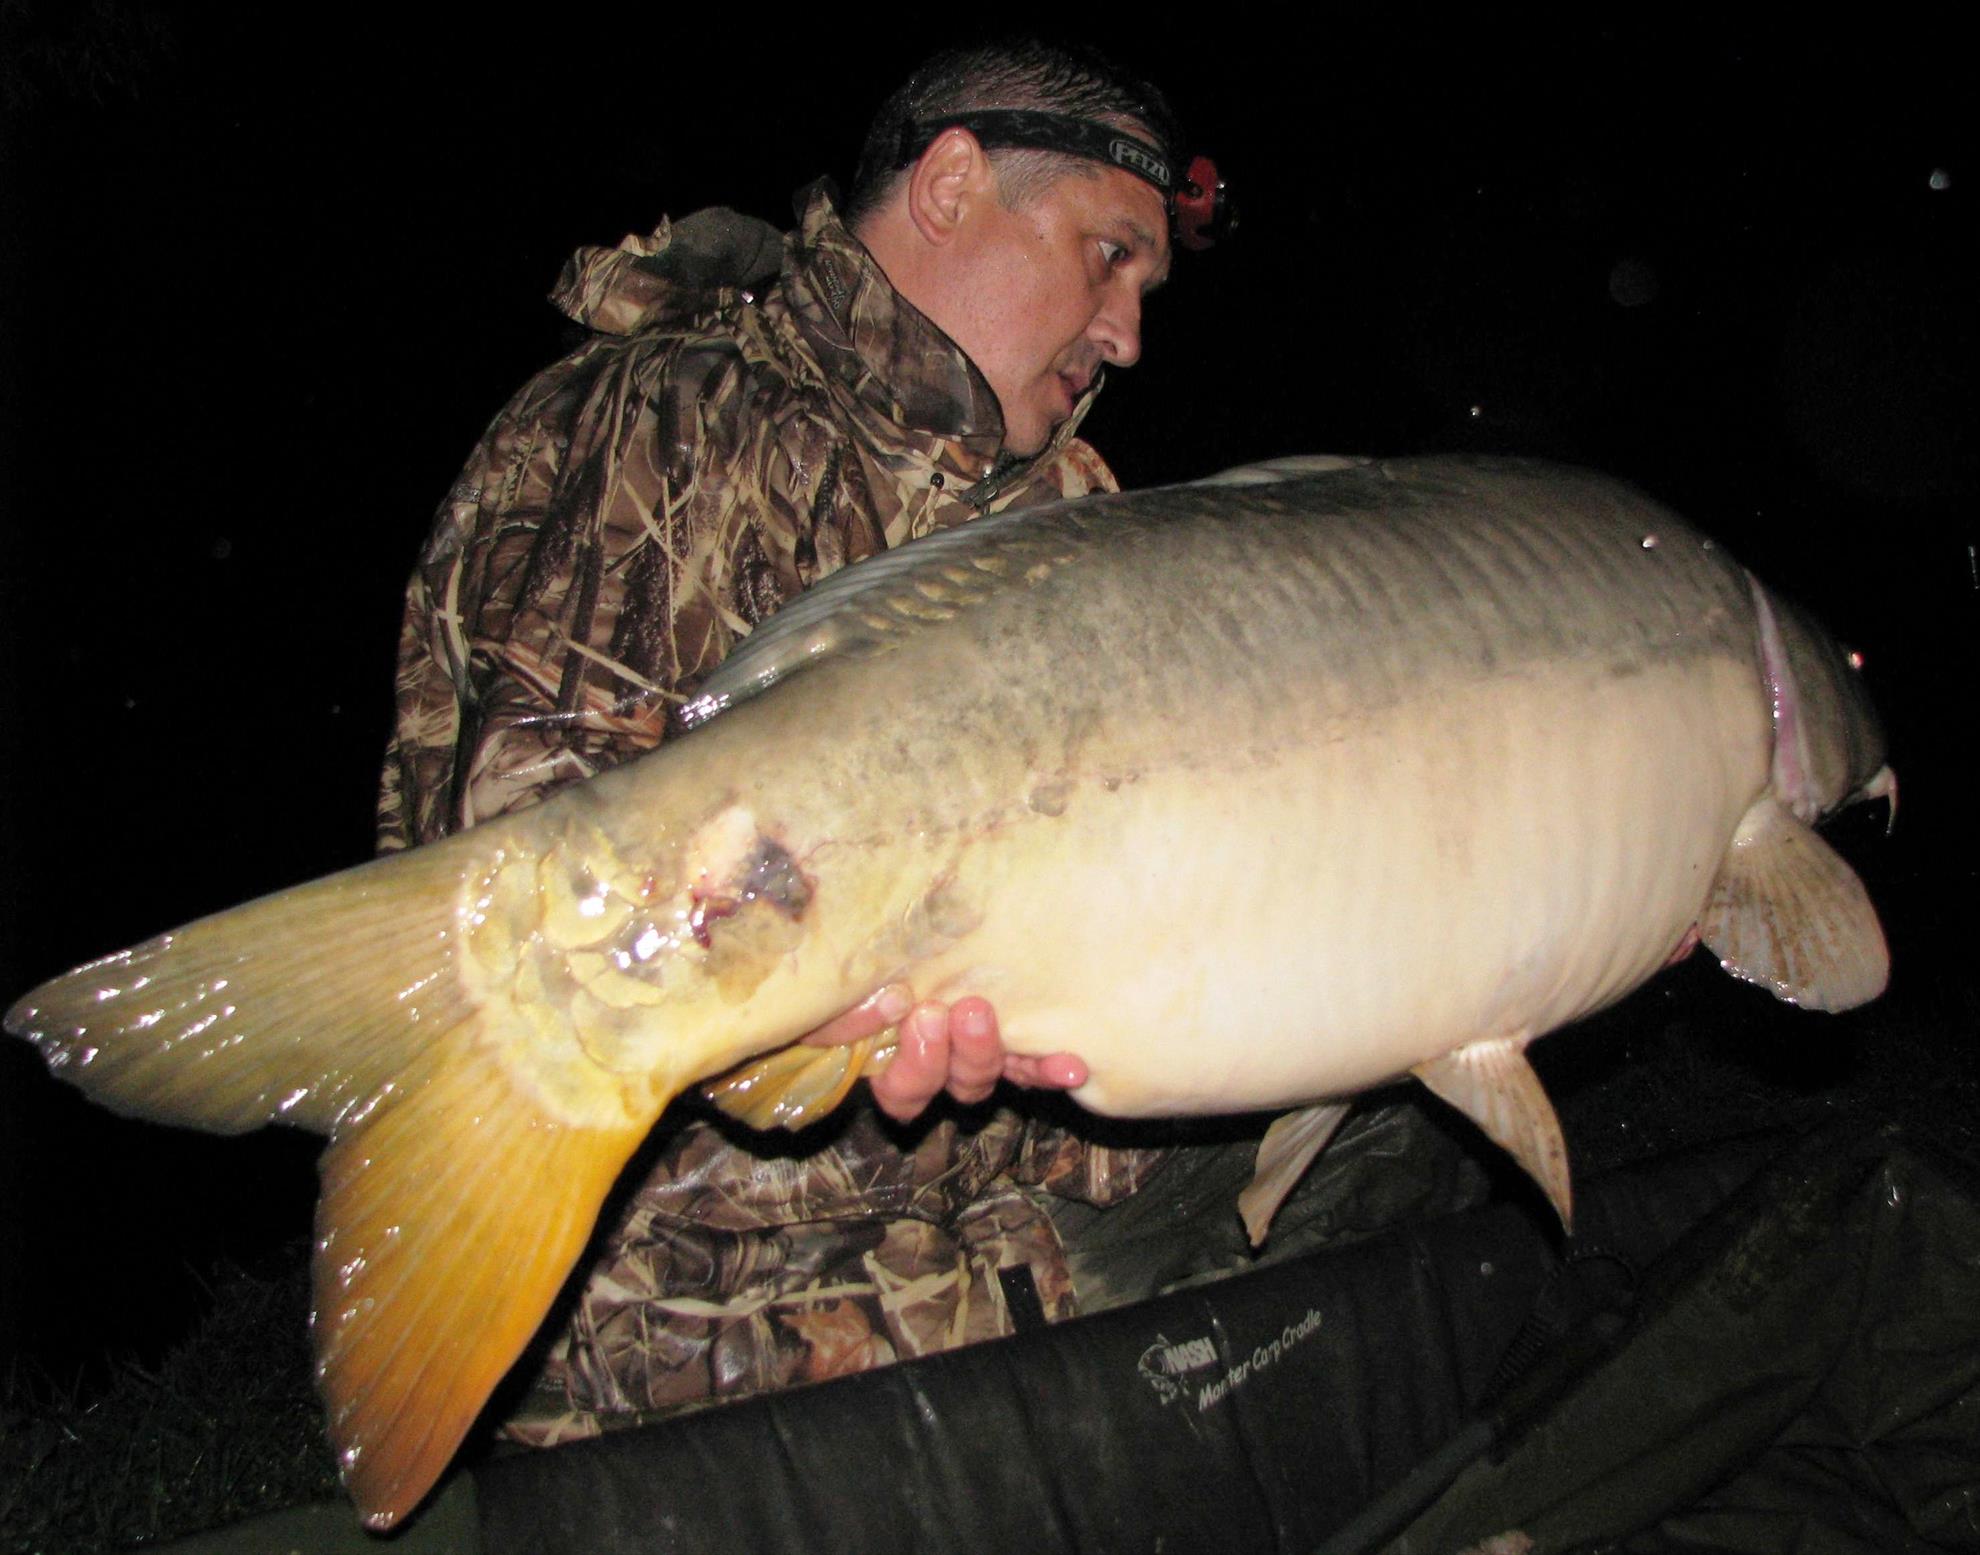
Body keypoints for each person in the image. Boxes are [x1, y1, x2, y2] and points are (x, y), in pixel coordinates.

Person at [378, 38, 1202, 1444]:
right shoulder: (669, 421)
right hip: (707, 1336)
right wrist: (837, 1026)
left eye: (1145, 289)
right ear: (951, 186)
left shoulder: (1067, 517)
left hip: (1012, 1253)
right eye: (1107, 257)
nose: (1125, 332)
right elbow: (533, 946)